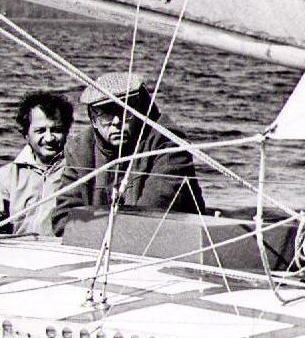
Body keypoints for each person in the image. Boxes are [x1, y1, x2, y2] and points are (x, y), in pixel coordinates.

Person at [52, 71, 205, 236]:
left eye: (125, 112)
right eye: (106, 113)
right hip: (99, 244)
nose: (116, 122)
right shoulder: (79, 149)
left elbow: (150, 216)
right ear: (93, 119)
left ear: (139, 111)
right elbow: (63, 219)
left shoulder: (168, 143)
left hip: (168, 241)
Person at [0, 91, 72, 236]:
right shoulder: (6, 175)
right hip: (18, 248)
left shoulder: (78, 172)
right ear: (26, 134)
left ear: (66, 132)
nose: (49, 138)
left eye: (56, 130)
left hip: (62, 248)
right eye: (40, 131)